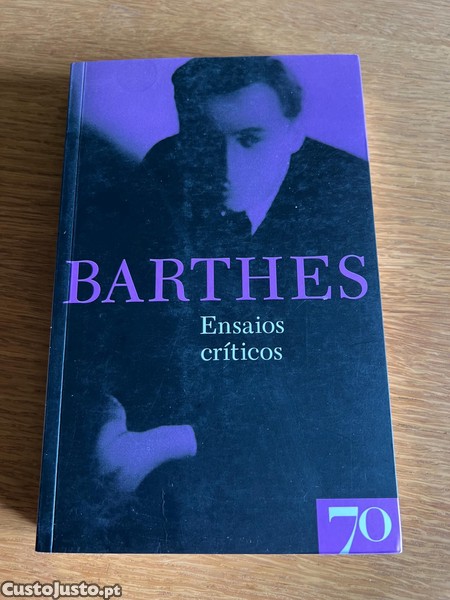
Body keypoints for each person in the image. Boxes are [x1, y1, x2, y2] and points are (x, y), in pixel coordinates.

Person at [54, 57, 397, 553]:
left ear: (294, 132)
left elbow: (335, 387)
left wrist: (167, 441)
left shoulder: (350, 197)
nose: (225, 168)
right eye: (203, 141)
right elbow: (123, 317)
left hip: (305, 455)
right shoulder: (162, 170)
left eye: (250, 139)